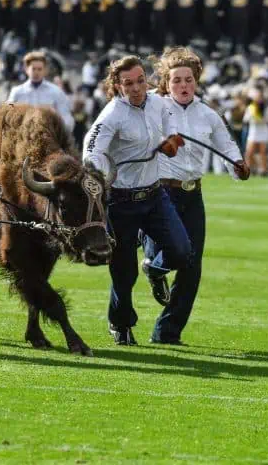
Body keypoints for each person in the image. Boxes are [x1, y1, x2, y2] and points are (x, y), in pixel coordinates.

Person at [141, 47, 249, 345]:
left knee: (192, 267)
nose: (183, 85)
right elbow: (140, 135)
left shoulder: (208, 114)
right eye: (176, 80)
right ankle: (154, 264)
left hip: (193, 194)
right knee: (178, 250)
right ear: (166, 82)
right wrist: (161, 143)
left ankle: (167, 333)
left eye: (188, 79)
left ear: (196, 81)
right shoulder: (154, 107)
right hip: (161, 191)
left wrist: (237, 166)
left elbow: (227, 147)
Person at [82, 54, 192, 346]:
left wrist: (170, 141)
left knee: (182, 251)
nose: (136, 88)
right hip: (120, 201)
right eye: (128, 83)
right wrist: (106, 175)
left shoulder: (158, 102)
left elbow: (169, 126)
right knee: (123, 273)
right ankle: (120, 324)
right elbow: (90, 154)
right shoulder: (110, 116)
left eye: (141, 80)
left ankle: (155, 269)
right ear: (117, 86)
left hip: (155, 195)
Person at [7, 51, 75, 133]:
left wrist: (59, 133)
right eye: (33, 69)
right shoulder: (16, 92)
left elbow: (67, 118)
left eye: (39, 69)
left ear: (45, 70)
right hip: (23, 137)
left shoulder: (56, 92)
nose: (36, 72)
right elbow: (7, 115)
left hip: (48, 138)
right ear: (26, 69)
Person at [243, 87, 268, 176]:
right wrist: (252, 118)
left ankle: (264, 170)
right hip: (254, 130)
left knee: (262, 152)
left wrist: (259, 119)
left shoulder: (265, 107)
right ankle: (249, 169)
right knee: (249, 152)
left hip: (263, 130)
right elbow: (246, 119)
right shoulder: (251, 107)